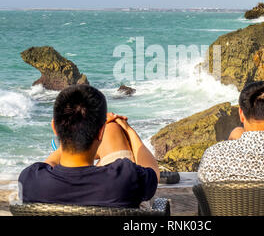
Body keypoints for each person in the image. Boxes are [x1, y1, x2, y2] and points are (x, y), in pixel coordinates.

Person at [19, 84, 159, 208]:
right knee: (114, 129)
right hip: (110, 190)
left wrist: (68, 138)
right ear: (100, 134)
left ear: (54, 128)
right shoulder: (125, 176)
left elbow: (48, 164)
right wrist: (128, 130)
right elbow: (153, 172)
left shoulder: (30, 180)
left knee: (111, 130)